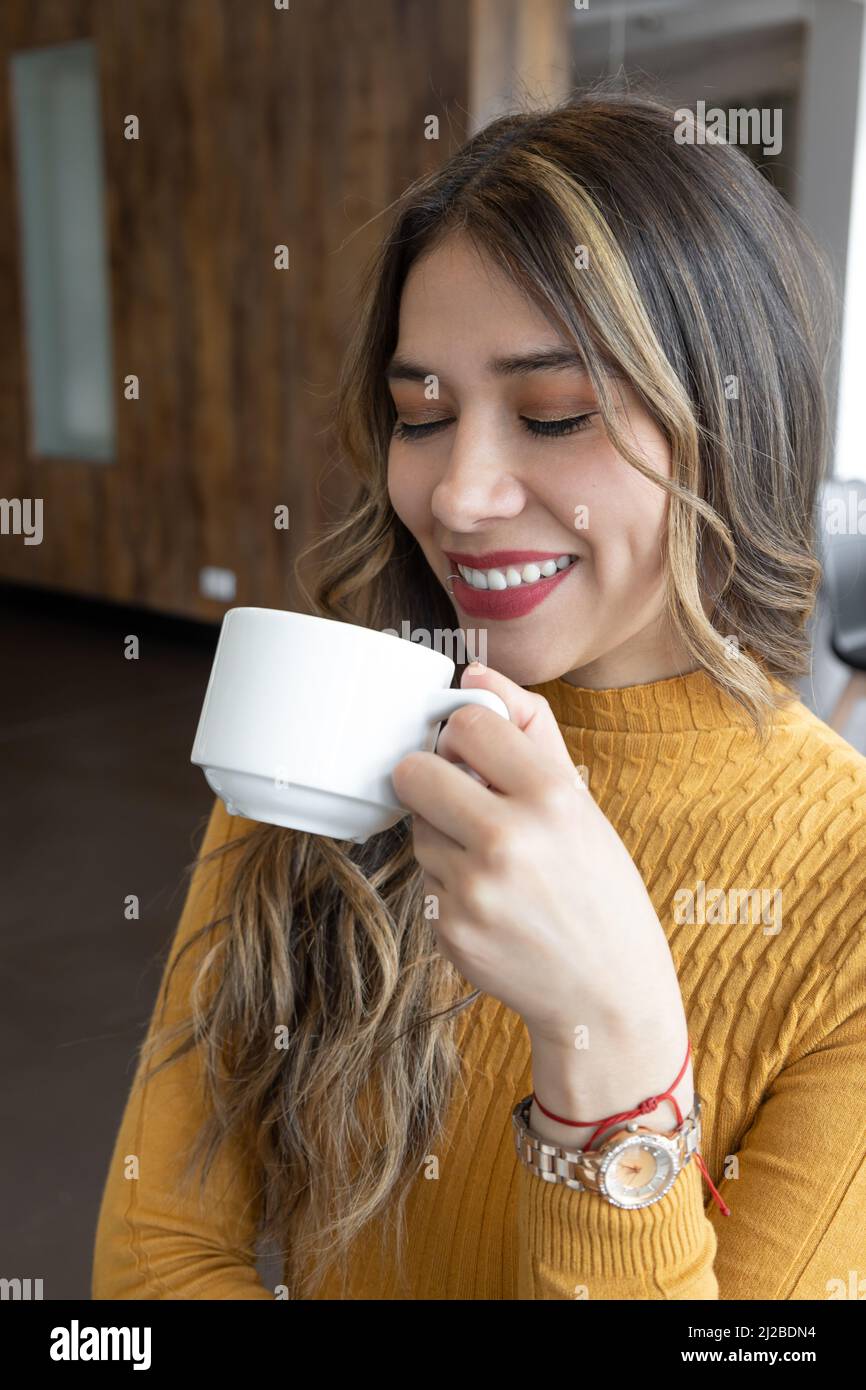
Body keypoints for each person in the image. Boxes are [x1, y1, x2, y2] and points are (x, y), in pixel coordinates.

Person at [92, 86, 866, 1300]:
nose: (457, 494)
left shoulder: (844, 889)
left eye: (554, 413)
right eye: (422, 415)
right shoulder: (326, 737)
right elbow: (154, 1256)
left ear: (731, 422)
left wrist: (610, 1065)